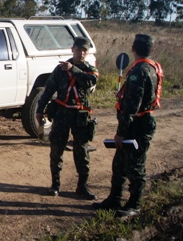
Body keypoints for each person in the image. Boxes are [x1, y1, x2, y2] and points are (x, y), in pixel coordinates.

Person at [93, 34, 162, 218]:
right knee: (119, 164)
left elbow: (132, 105)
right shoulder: (152, 68)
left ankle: (135, 204)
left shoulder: (140, 71)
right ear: (151, 50)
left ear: (133, 48)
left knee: (135, 166)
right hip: (140, 122)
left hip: (137, 124)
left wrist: (121, 133)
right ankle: (114, 199)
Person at [35, 37, 99, 199]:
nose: (81, 53)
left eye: (85, 51)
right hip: (62, 114)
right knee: (56, 150)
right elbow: (49, 89)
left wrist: (73, 70)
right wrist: (39, 109)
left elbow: (90, 82)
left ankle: (82, 187)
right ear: (73, 50)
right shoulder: (60, 69)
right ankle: (55, 185)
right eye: (79, 50)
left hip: (81, 116)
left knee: (82, 152)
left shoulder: (89, 69)